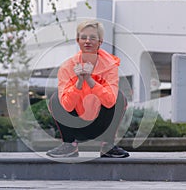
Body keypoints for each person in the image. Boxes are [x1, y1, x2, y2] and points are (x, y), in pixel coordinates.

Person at [46, 20, 129, 158]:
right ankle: (69, 145)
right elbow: (66, 105)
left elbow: (109, 102)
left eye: (92, 38)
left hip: (100, 126)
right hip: (75, 125)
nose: (87, 41)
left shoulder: (110, 67)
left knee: (119, 98)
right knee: (56, 98)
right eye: (83, 37)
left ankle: (107, 146)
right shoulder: (67, 67)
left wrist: (90, 80)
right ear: (78, 40)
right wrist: (79, 82)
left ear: (100, 41)